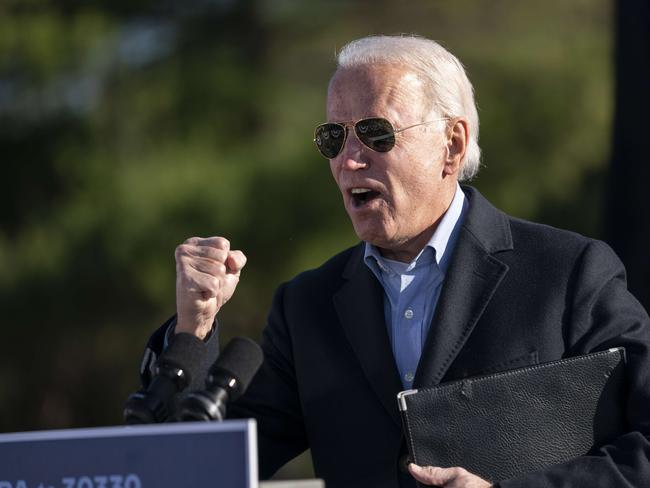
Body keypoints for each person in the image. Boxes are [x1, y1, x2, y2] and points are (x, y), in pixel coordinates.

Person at [138, 35, 650, 487]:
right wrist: (195, 327)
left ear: (452, 145)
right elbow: (200, 467)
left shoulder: (570, 273)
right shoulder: (307, 308)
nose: (349, 160)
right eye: (333, 138)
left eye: (376, 134)